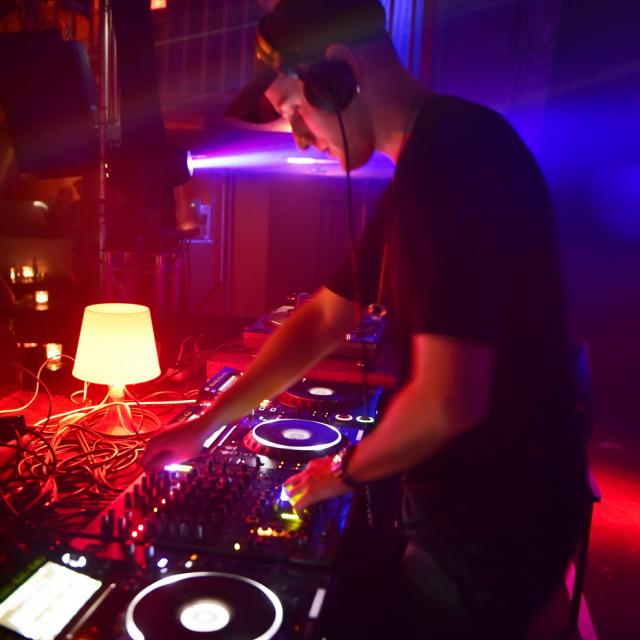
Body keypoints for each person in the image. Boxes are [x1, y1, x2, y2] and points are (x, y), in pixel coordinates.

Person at [143, 1, 590, 637]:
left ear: (340, 72)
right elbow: (323, 317)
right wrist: (208, 424)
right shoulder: (433, 160)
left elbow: (446, 403)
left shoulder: (449, 165)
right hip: (498, 510)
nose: (299, 137)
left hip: (490, 526)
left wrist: (341, 472)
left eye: (294, 109)